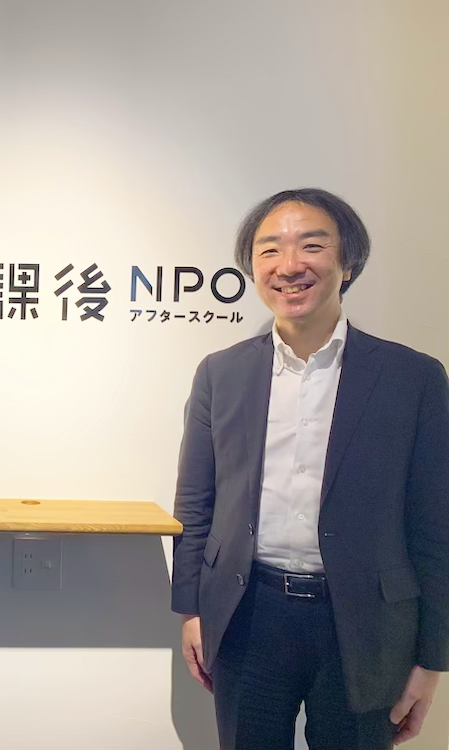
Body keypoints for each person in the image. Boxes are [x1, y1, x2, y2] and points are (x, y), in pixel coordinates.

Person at [172, 188, 448, 750]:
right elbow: (195, 504)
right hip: (247, 614)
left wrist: (433, 658)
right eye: (269, 249)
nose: (289, 264)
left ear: (348, 264)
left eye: (312, 246)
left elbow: (435, 524)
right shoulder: (221, 373)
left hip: (368, 624)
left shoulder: (413, 378)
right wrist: (192, 610)